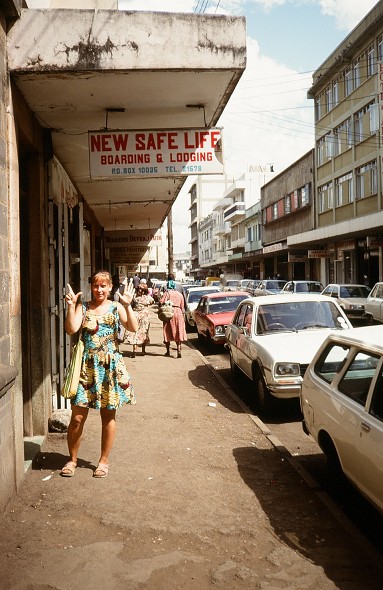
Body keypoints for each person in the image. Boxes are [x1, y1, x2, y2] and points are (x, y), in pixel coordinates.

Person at [60, 270, 138, 479]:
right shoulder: (83, 307)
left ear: (110, 287)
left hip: (109, 368)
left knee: (108, 416)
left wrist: (129, 306)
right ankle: (72, 459)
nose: (99, 290)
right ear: (91, 287)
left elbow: (133, 327)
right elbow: (71, 328)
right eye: (96, 285)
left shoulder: (116, 307)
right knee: (77, 418)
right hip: (86, 367)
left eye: (103, 285)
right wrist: (70, 307)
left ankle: (103, 461)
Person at [125, 279, 154, 357]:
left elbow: (130, 304)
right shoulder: (147, 298)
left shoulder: (134, 297)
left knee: (135, 332)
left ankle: (134, 350)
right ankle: (143, 351)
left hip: (135, 315)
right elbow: (152, 302)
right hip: (145, 316)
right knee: (144, 332)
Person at [160, 274, 187, 358]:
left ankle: (168, 351)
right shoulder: (180, 294)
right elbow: (182, 307)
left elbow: (161, 302)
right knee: (178, 331)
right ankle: (178, 348)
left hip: (169, 313)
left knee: (167, 331)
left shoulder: (167, 293)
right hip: (178, 313)